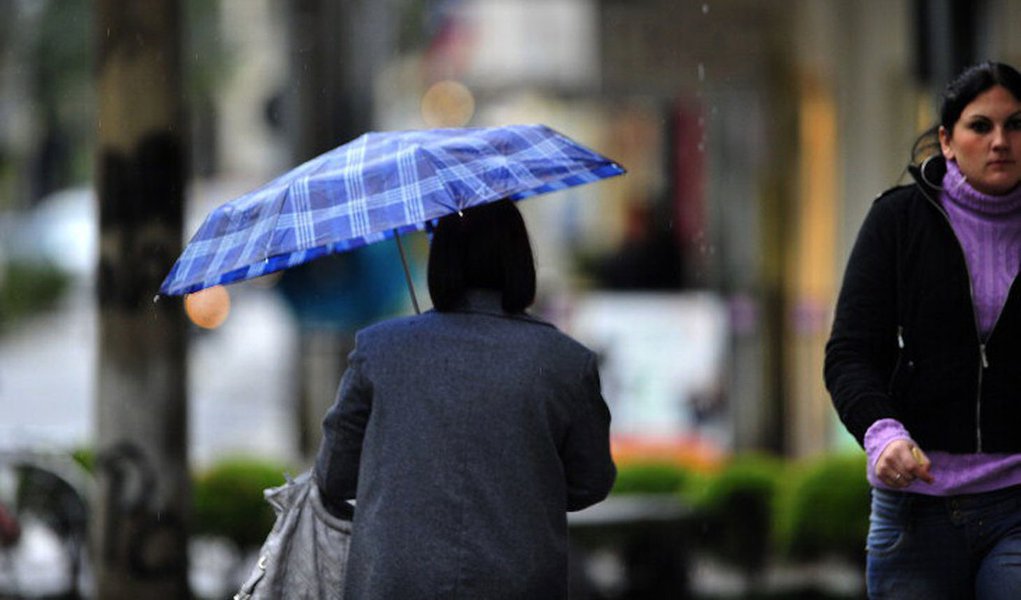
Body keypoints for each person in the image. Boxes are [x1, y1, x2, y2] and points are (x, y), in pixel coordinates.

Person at [314, 199, 617, 599]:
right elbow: (590, 483)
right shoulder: (565, 361)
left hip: (395, 586)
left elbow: (334, 475)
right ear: (520, 261)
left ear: (442, 262)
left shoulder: (380, 349)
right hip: (519, 584)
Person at [825, 61, 1021, 599]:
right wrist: (882, 433)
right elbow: (850, 353)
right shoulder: (898, 221)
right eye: (981, 126)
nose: (1001, 141)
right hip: (915, 505)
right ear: (947, 141)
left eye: (1017, 125)